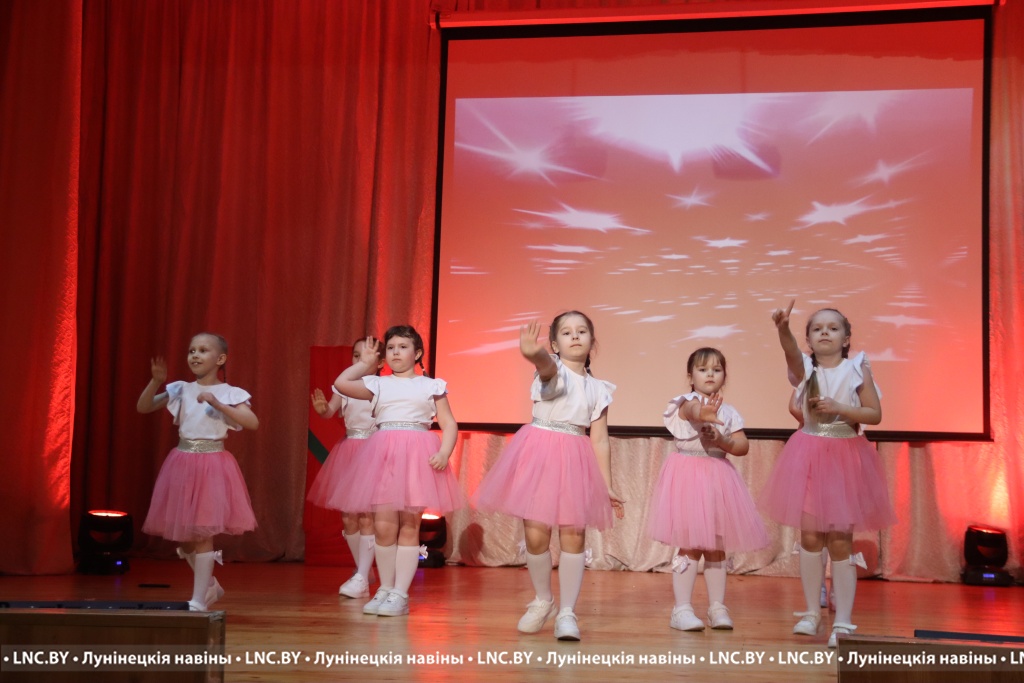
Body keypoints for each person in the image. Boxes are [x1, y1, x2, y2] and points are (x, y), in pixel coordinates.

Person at [473, 312, 624, 642]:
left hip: (575, 460)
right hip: (540, 455)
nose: (575, 336)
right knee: (536, 536)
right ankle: (544, 599)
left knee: (574, 536)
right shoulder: (552, 371)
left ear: (592, 341)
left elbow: (599, 439)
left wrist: (607, 483)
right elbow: (547, 369)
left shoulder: (599, 389)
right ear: (555, 344)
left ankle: (567, 612)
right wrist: (535, 354)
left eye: (582, 331)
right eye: (566, 333)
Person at [760, 301, 895, 647]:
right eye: (817, 328)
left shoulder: (857, 368)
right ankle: (811, 612)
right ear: (808, 338)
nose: (825, 333)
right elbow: (791, 352)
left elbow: (874, 413)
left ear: (846, 338)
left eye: (833, 328)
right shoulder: (805, 369)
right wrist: (782, 329)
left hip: (844, 456)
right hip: (808, 453)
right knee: (810, 537)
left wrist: (839, 408)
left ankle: (844, 622)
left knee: (839, 540)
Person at [332, 325, 462, 618]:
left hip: (416, 456)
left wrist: (444, 452)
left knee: (409, 525)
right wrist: (365, 363)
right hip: (384, 456)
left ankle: (400, 594)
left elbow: (449, 423)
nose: (395, 352)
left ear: (417, 353)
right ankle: (385, 588)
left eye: (403, 347)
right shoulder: (377, 384)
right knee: (383, 526)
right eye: (390, 348)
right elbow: (341, 383)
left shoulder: (431, 385)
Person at [648, 347, 768, 632]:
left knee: (716, 545)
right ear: (690, 376)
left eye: (716, 369)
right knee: (689, 543)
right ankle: (682, 609)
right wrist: (703, 413)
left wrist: (721, 439)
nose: (710, 374)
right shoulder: (684, 402)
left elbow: (742, 446)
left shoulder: (730, 412)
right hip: (688, 477)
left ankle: (717, 607)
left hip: (718, 478)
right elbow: (691, 411)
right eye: (702, 369)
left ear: (725, 375)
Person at [137, 332, 258, 611]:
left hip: (213, 465)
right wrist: (155, 382)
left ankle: (199, 600)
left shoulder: (230, 393)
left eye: (203, 350)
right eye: (192, 350)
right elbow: (143, 407)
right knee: (186, 539)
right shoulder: (181, 389)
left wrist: (218, 403)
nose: (195, 355)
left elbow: (252, 422)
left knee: (203, 533)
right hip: (182, 463)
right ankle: (211, 584)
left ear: (220, 359)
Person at [307, 337, 383, 599]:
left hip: (373, 451)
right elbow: (330, 411)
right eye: (356, 356)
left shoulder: (383, 386)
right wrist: (323, 410)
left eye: (368, 355)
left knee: (367, 515)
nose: (360, 361)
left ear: (380, 362)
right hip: (349, 450)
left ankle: (361, 575)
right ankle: (363, 570)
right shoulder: (344, 387)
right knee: (349, 517)